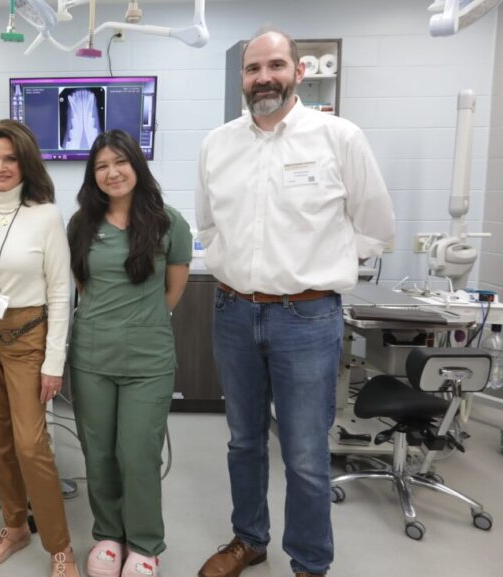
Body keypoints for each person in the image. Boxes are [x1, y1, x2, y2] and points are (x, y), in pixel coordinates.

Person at [195, 28, 395, 577]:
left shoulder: (339, 137)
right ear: (242, 77)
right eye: (253, 68)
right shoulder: (218, 144)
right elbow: (208, 225)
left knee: (306, 453)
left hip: (308, 318)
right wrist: (233, 268)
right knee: (243, 441)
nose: (264, 77)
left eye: (275, 65)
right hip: (234, 312)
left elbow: (377, 228)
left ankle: (309, 562)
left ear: (298, 71)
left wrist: (318, 268)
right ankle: (249, 539)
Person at [67, 129, 191, 577]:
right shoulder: (81, 225)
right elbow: (85, 289)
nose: (112, 172)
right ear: (92, 175)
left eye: (120, 162)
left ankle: (144, 542)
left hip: (148, 360)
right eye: (101, 166)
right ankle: (108, 535)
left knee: (137, 453)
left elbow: (173, 290)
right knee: (97, 452)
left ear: (136, 165)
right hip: (91, 359)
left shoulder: (168, 222)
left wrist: (140, 324)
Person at [0, 119, 76, 577]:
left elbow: (60, 293)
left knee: (32, 444)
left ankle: (60, 545)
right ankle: (15, 526)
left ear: (26, 161)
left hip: (28, 337)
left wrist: (54, 361)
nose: (1, 167)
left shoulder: (46, 214)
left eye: (10, 158)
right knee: (1, 440)